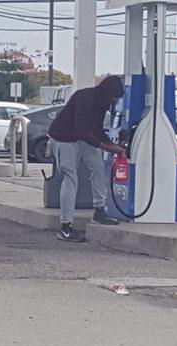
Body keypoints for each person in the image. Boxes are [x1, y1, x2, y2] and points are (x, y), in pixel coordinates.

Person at [48, 75, 125, 242]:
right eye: (114, 97)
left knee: (98, 167)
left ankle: (99, 211)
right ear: (107, 92)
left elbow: (96, 128)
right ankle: (65, 227)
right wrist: (107, 147)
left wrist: (112, 144)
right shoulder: (85, 97)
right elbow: (81, 129)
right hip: (63, 138)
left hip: (81, 139)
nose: (114, 101)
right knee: (71, 178)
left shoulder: (102, 102)